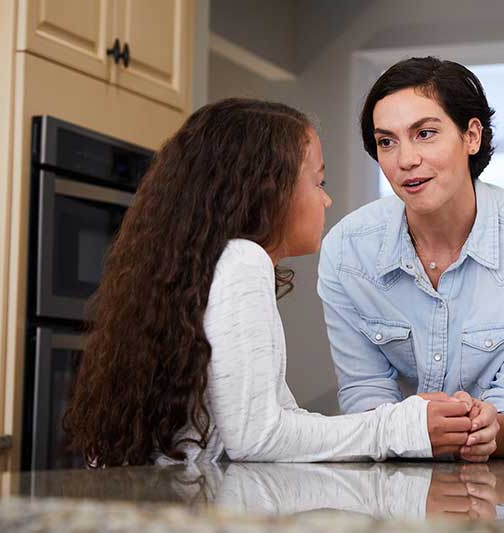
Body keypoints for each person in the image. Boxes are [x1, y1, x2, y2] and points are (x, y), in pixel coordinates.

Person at [63, 98, 477, 466]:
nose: (326, 200)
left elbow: (278, 424)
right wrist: (399, 428)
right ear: (268, 191)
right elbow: (258, 437)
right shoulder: (243, 262)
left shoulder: (209, 265)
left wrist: (407, 423)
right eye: (318, 182)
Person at [317, 57, 504, 460]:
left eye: (424, 133)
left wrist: (487, 431)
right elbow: (363, 391)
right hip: (390, 487)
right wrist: (413, 433)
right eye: (387, 141)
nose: (405, 160)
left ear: (471, 136)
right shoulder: (346, 252)